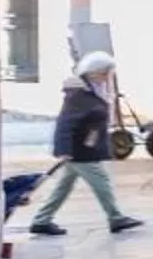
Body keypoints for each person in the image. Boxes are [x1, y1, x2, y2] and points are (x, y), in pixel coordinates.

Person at [31, 51, 143, 236]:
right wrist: (64, 150)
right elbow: (66, 123)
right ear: (95, 73)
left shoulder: (94, 91)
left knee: (63, 186)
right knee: (102, 181)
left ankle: (41, 220)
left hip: (84, 148)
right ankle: (115, 218)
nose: (109, 77)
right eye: (106, 73)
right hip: (80, 150)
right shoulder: (79, 95)